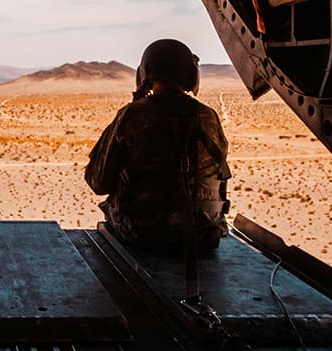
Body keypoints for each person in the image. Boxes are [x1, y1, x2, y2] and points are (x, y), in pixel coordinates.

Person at [86, 39, 230, 252]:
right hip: (203, 235)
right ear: (191, 75)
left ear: (144, 74)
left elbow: (98, 182)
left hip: (145, 235)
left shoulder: (133, 115)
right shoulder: (208, 116)